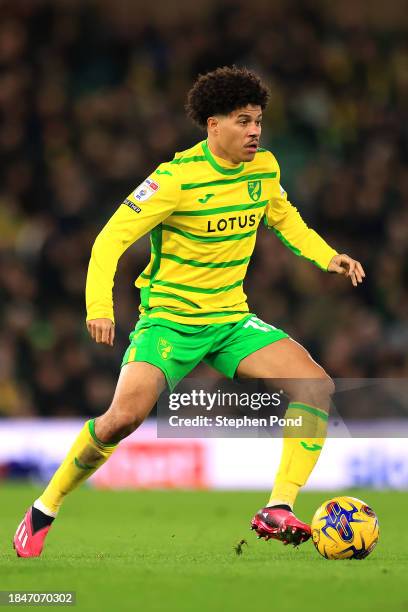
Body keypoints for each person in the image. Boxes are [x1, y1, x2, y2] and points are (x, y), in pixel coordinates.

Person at [13, 66, 365, 557]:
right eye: (243, 121)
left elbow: (286, 219)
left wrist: (328, 256)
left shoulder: (265, 168)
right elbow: (109, 240)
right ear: (212, 124)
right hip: (170, 323)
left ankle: (278, 506)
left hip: (230, 319)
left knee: (315, 386)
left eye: (258, 120)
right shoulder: (173, 180)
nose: (255, 131)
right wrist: (100, 307)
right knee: (122, 419)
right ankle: (45, 508)